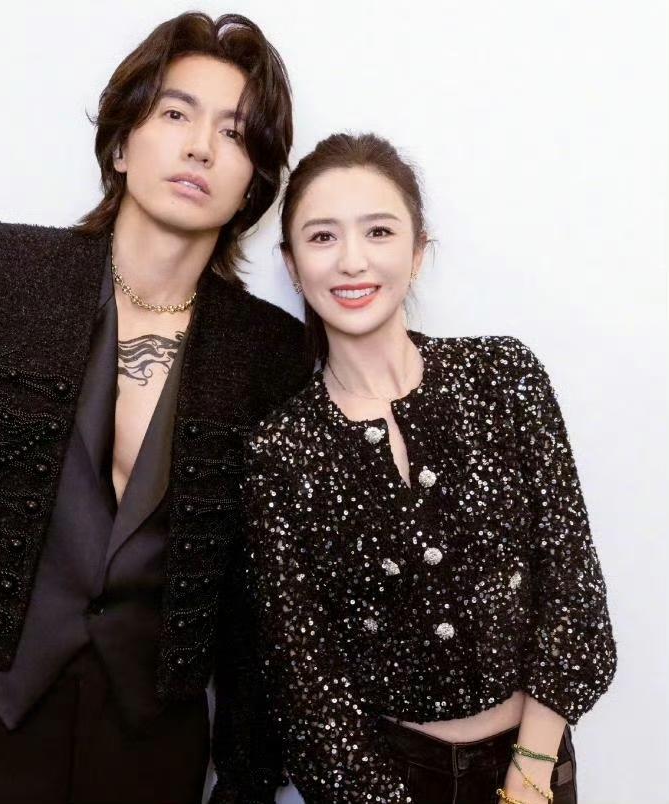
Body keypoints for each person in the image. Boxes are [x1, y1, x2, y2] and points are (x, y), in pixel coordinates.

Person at [0, 13, 309, 804]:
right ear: (121, 144)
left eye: (234, 132)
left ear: (254, 181)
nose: (200, 148)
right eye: (175, 113)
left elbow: (259, 599)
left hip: (154, 754)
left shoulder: (271, 352)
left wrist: (247, 781)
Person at [242, 132, 617, 803]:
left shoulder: (503, 377)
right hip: (388, 781)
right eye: (322, 237)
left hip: (536, 760)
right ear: (293, 266)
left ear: (417, 252)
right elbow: (306, 682)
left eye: (378, 231)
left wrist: (531, 771)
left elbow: (571, 584)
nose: (351, 260)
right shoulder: (280, 451)